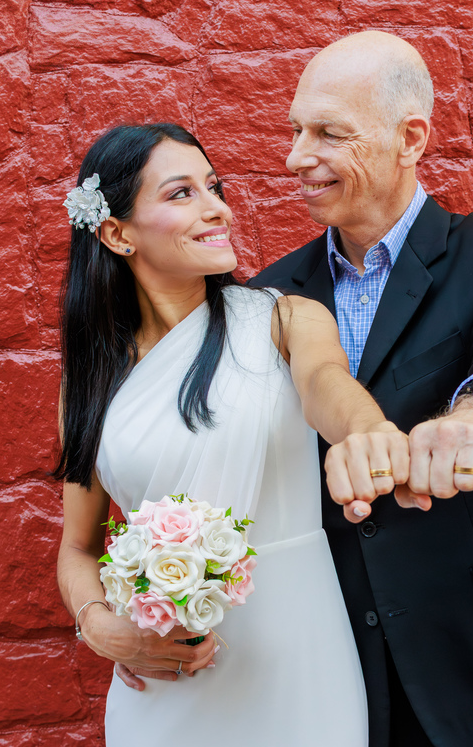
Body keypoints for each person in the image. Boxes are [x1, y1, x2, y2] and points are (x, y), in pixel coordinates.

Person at [251, 31, 473, 746]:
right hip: (332, 657)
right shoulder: (268, 295)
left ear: (410, 139)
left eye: (329, 133)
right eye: (295, 130)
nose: (295, 157)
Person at [53, 123, 411, 745]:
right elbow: (79, 547)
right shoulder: (88, 384)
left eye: (213, 187)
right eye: (181, 193)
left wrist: (366, 429)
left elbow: (325, 382)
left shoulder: (283, 319)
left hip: (300, 666)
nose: (217, 208)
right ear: (117, 234)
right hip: (164, 677)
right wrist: (102, 627)